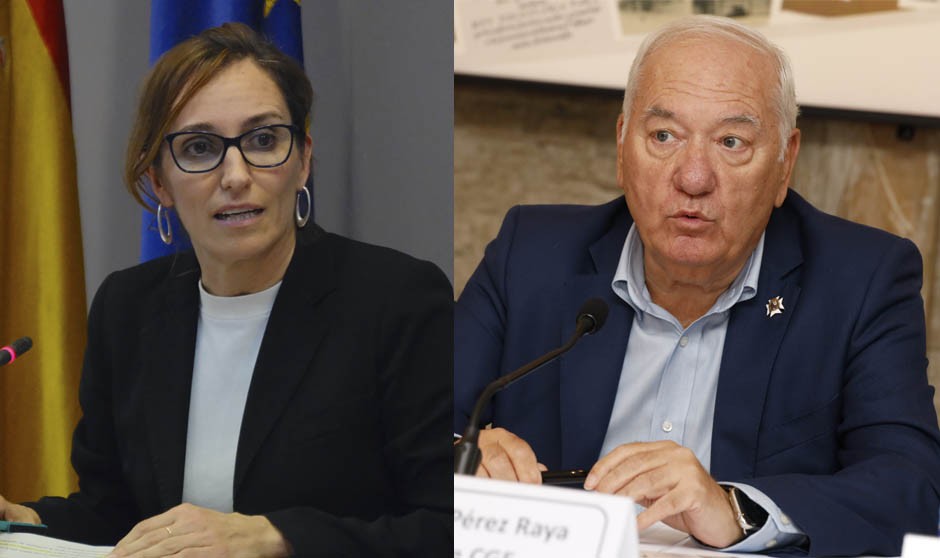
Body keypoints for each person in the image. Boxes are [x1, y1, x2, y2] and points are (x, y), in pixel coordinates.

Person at [454, 15, 940, 557]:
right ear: (622, 145)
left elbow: (912, 488)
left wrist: (735, 507)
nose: (693, 178)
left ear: (785, 164)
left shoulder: (861, 279)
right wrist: (463, 455)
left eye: (732, 142)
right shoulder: (530, 256)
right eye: (664, 136)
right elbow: (410, 425)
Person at [0, 23, 452, 556]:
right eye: (199, 147)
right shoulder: (127, 308)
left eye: (263, 140)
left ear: (303, 159)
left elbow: (444, 526)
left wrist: (273, 536)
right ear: (159, 181)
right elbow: (114, 515)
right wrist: (25, 520)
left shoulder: (396, 301)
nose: (235, 175)